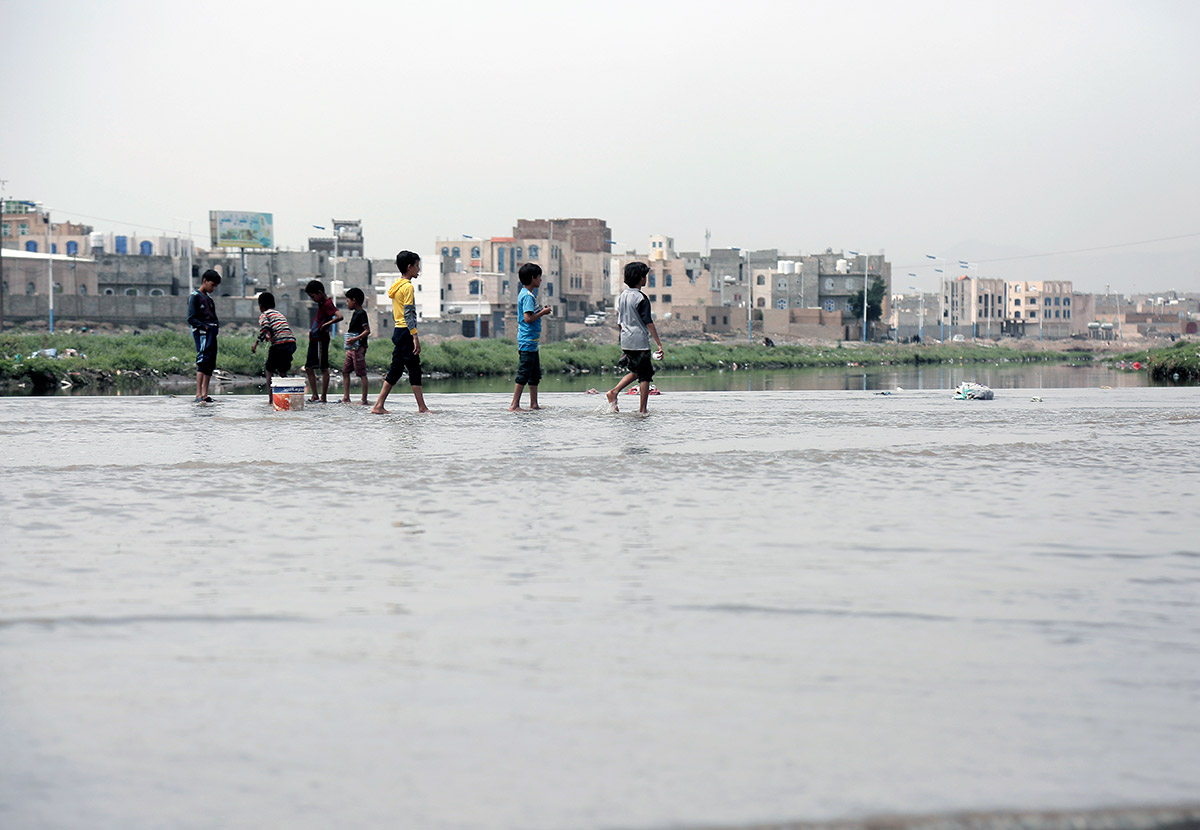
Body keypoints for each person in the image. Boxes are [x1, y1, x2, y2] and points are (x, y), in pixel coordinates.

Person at [371, 251, 431, 414]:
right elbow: (408, 313)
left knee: (396, 369)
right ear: (409, 267)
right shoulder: (408, 287)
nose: (418, 269)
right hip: (406, 332)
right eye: (417, 266)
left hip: (398, 330)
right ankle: (422, 407)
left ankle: (378, 406)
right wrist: (415, 336)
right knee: (414, 368)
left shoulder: (396, 286)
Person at [606, 261, 663, 414]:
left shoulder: (622, 296)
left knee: (637, 370)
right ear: (640, 278)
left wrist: (623, 336)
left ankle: (614, 392)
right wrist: (659, 343)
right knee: (645, 375)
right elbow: (648, 322)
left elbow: (619, 321)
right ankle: (642, 409)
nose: (646, 279)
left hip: (626, 339)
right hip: (639, 340)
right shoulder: (641, 298)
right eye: (645, 276)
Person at [508, 263, 553, 411]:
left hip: (532, 341)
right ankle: (514, 405)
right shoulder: (527, 296)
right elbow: (528, 318)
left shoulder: (527, 294)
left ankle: (534, 404)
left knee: (534, 374)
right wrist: (543, 313)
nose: (540, 280)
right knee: (524, 373)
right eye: (539, 277)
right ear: (533, 278)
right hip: (527, 341)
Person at [250, 291, 297, 404]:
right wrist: (269, 336)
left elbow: (265, 326)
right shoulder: (279, 314)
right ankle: (287, 398)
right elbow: (276, 328)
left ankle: (271, 400)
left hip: (279, 344)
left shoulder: (264, 315)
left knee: (269, 370)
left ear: (261, 306)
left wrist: (256, 343)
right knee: (282, 371)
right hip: (291, 342)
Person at [304, 279, 343, 403]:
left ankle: (323, 397)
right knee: (309, 368)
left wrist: (328, 324)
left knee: (323, 368)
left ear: (320, 292)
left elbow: (339, 316)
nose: (312, 299)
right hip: (314, 339)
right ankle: (315, 395)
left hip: (321, 340)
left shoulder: (327, 303)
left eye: (313, 296)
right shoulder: (321, 303)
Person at [187, 269, 222, 402]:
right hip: (202, 333)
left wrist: (215, 329)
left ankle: (205, 394)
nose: (213, 288)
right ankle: (198, 394)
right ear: (204, 281)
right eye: (212, 285)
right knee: (202, 360)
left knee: (210, 362)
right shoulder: (194, 297)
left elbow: (214, 317)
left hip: (212, 332)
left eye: (215, 286)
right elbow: (191, 318)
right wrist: (205, 327)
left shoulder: (209, 299)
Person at [340, 286, 371, 405]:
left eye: (347, 301)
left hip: (359, 347)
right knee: (345, 371)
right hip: (352, 347)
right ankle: (346, 397)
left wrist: (355, 339)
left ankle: (364, 399)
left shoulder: (362, 313)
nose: (347, 304)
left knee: (361, 373)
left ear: (354, 300)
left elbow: (367, 331)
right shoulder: (355, 314)